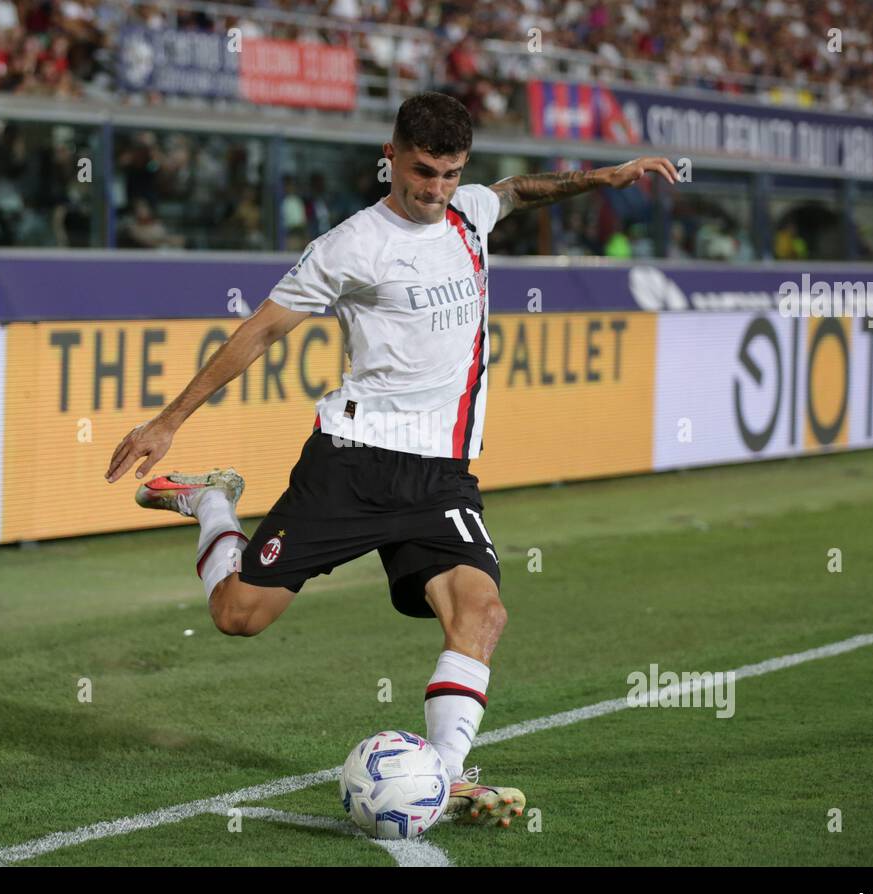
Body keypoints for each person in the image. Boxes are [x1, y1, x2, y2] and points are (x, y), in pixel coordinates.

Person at [105, 91, 676, 826]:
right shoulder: (351, 245)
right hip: (353, 462)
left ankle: (445, 774)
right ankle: (213, 500)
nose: (434, 189)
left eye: (448, 173)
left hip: (441, 476)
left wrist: (600, 179)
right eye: (422, 171)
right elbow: (259, 332)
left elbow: (516, 193)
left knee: (483, 612)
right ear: (391, 153)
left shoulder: (468, 211)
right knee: (237, 616)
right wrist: (168, 421)